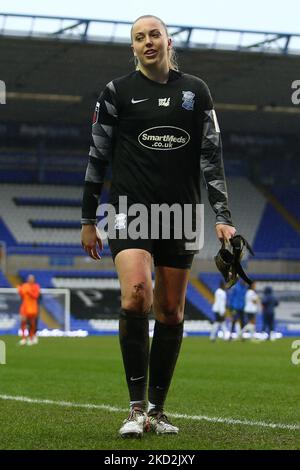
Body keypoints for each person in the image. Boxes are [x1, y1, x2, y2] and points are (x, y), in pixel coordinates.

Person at [81, 14, 236, 437]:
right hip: (129, 210)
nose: (147, 41)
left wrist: (223, 218)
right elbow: (97, 157)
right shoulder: (116, 92)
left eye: (154, 34)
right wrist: (87, 218)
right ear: (132, 48)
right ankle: (134, 409)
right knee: (136, 295)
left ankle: (157, 410)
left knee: (171, 311)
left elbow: (211, 156)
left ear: (169, 41)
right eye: (138, 38)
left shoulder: (196, 91)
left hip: (182, 212)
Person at [17, 274, 40, 346]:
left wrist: (29, 292)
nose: (30, 279)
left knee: (32, 324)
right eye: (29, 278)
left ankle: (31, 338)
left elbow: (36, 296)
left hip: (32, 307)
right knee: (23, 322)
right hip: (25, 307)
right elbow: (22, 295)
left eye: (31, 278)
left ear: (34, 279)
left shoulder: (36, 286)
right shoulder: (24, 285)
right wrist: (19, 291)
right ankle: (23, 338)